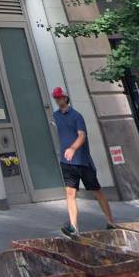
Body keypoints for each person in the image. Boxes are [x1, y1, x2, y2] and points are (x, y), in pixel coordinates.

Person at [49, 88, 116, 238]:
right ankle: (73, 226)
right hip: (67, 162)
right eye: (56, 98)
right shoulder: (55, 116)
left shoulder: (77, 116)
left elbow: (82, 136)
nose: (58, 100)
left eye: (60, 98)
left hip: (82, 161)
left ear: (66, 98)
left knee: (96, 190)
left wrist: (73, 148)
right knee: (70, 192)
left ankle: (110, 221)